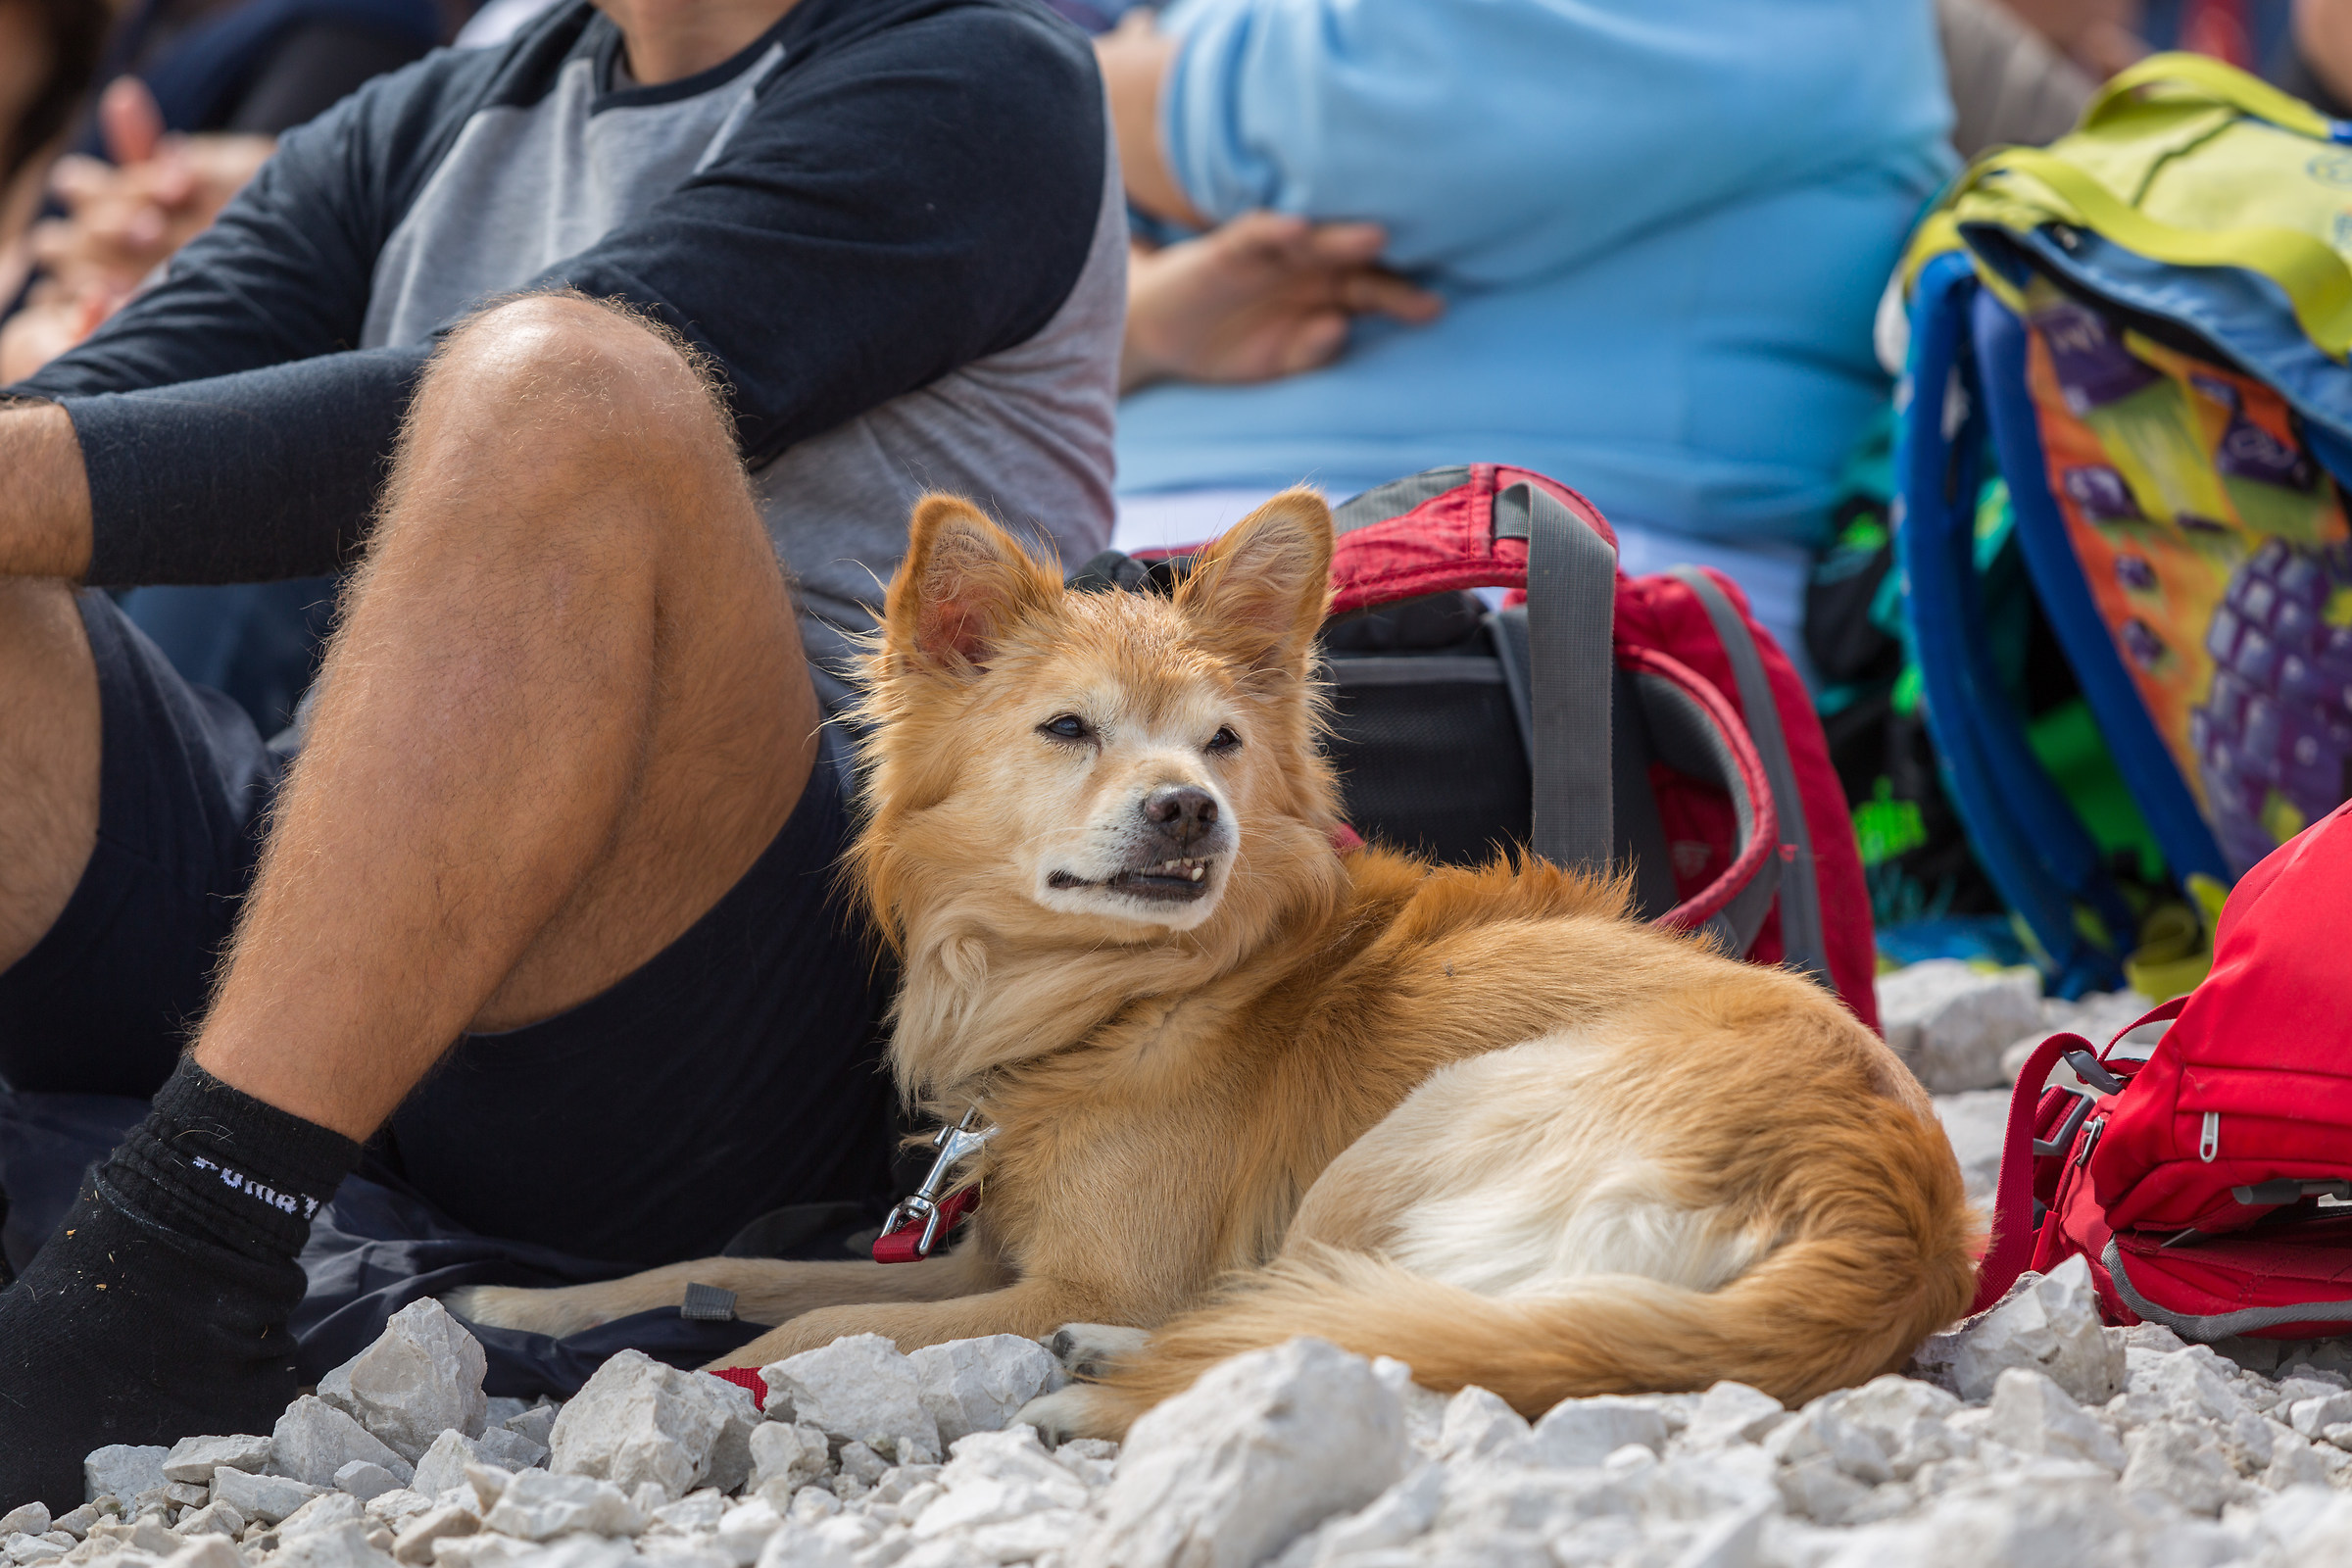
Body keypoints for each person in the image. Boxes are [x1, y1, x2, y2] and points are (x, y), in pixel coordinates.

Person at [0, 0, 1121, 1503]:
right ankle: (181, 1193)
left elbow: (418, 435)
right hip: (354, 872)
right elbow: (86, 432)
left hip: (745, 995)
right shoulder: (424, 116)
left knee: (572, 391)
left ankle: (170, 1273)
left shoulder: (983, 75)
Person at [1099, 0, 1955, 673]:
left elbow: (1326, 122)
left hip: (1557, 599)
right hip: (1151, 574)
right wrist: (1145, 325)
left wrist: (1088, 79)